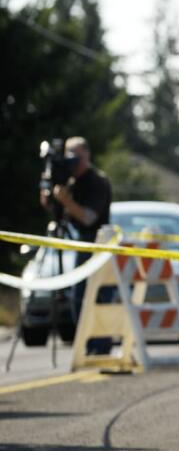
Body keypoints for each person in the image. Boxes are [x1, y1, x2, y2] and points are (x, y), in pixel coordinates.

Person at [40, 136, 113, 353]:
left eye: (77, 157)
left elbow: (88, 218)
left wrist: (66, 201)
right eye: (69, 157)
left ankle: (100, 346)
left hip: (97, 245)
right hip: (81, 245)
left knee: (96, 297)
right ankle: (86, 345)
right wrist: (48, 189)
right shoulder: (69, 183)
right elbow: (56, 211)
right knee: (79, 298)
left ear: (87, 155)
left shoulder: (98, 181)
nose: (73, 162)